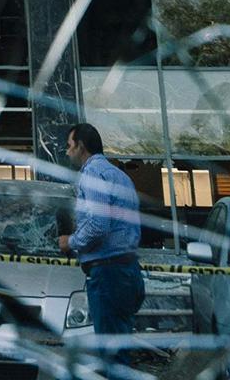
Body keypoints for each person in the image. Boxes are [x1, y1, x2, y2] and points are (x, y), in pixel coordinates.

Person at [55, 122, 143, 377]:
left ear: (81, 146)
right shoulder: (120, 176)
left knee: (110, 355)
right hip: (127, 272)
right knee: (120, 351)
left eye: (69, 145)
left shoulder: (92, 174)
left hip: (108, 274)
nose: (66, 151)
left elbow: (98, 225)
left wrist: (69, 242)